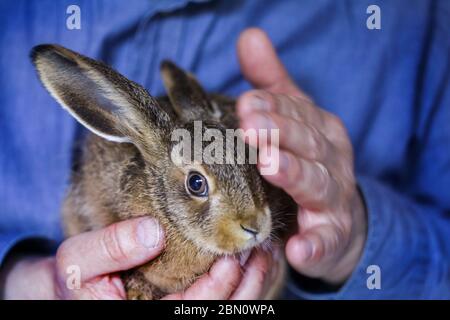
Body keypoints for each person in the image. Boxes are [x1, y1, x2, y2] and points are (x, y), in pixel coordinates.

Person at [0, 0, 449, 299]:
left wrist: (355, 241)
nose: (255, 220)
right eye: (197, 183)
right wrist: (23, 284)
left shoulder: (419, 19)